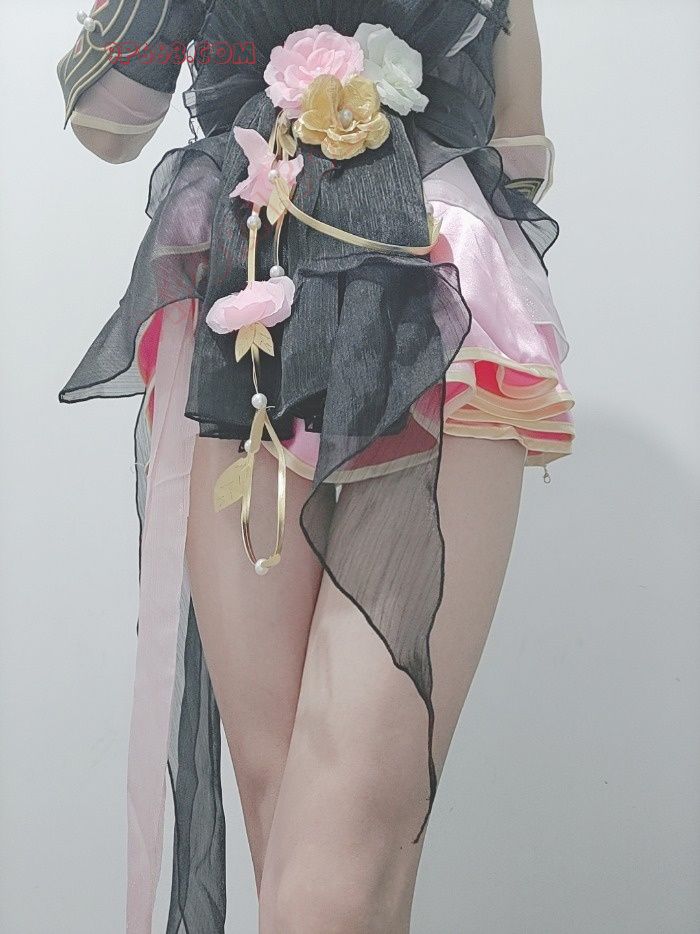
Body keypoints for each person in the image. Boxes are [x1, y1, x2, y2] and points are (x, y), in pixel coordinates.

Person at [57, 1, 575, 930]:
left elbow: (515, 147)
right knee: (287, 821)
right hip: (250, 319)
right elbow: (109, 124)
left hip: (434, 311)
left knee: (338, 862)